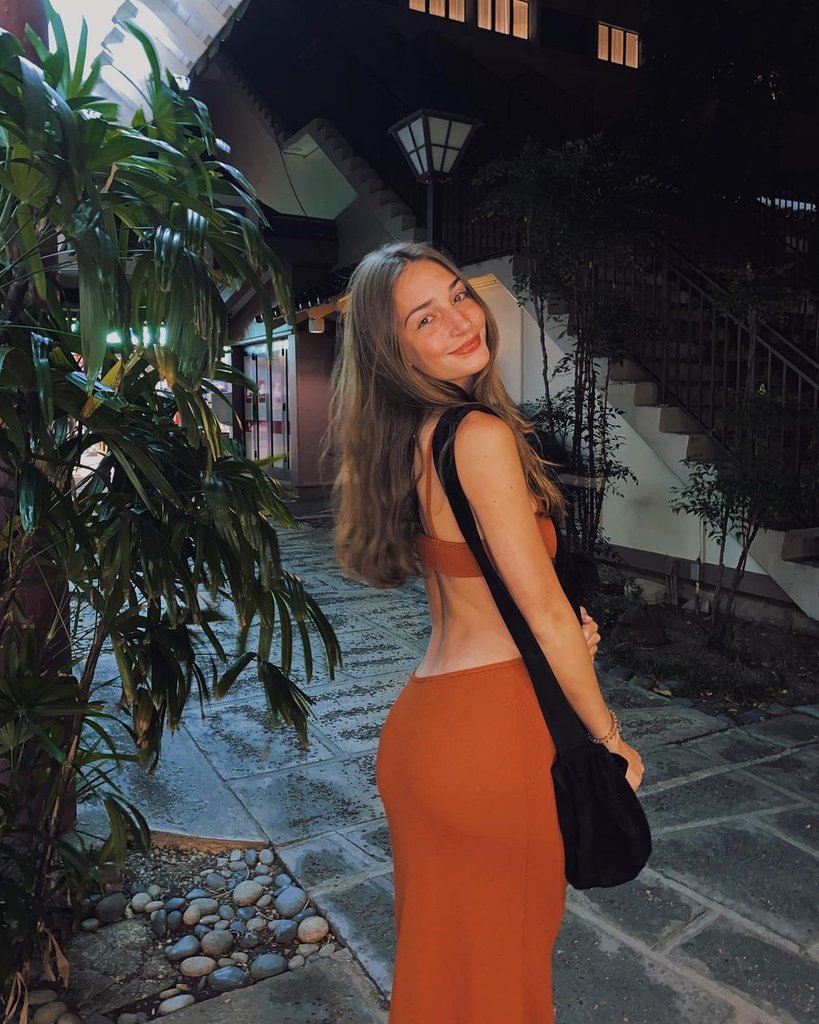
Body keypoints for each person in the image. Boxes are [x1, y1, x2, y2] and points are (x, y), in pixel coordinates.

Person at [328, 241, 644, 1024]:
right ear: (392, 349)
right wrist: (608, 737)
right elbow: (541, 613)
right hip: (495, 745)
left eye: (457, 295)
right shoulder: (475, 435)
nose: (458, 320)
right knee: (502, 991)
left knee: (445, 986)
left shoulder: (408, 437)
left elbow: (487, 594)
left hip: (427, 733)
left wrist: (556, 636)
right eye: (422, 318)